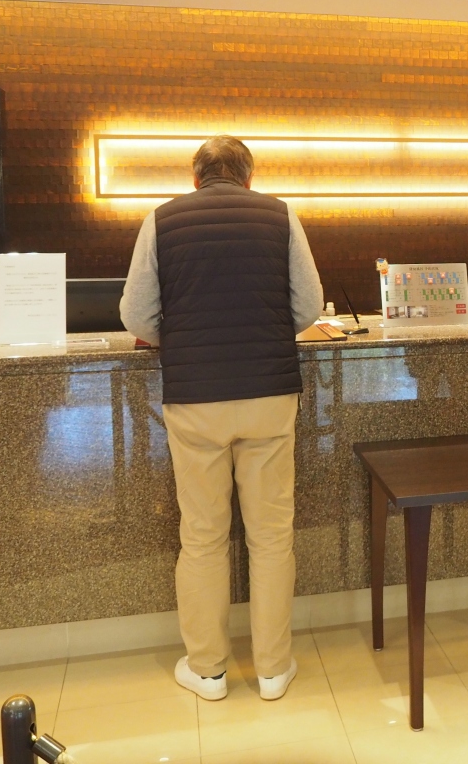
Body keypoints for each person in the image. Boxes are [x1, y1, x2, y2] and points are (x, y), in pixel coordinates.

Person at [120, 135, 323, 700]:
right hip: (268, 394)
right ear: (249, 178)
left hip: (196, 397)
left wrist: (182, 340)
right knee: (271, 537)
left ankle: (208, 670)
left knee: (203, 537)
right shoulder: (281, 216)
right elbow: (308, 305)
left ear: (195, 177)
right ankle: (274, 670)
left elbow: (136, 313)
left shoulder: (160, 221)